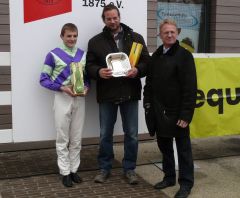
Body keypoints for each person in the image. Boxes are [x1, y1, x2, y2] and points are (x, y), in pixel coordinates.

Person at [86, 4, 149, 185]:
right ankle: (104, 168)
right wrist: (98, 72)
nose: (112, 21)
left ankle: (129, 169)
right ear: (104, 20)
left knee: (132, 134)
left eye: (115, 18)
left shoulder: (135, 38)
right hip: (107, 93)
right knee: (105, 133)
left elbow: (147, 62)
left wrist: (137, 70)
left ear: (119, 17)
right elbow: (88, 66)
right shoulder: (95, 41)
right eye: (108, 18)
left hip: (129, 91)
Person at [143, 19, 197, 198]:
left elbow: (190, 88)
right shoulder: (156, 56)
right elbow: (148, 84)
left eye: (173, 32)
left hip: (178, 111)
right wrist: (148, 104)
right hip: (159, 111)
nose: (170, 35)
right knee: (164, 146)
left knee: (183, 149)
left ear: (177, 33)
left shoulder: (184, 55)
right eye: (166, 32)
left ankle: (186, 183)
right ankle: (169, 177)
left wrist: (186, 114)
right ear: (160, 35)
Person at [40, 23, 90, 187]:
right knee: (63, 137)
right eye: (69, 36)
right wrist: (62, 87)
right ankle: (65, 172)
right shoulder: (52, 55)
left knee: (76, 137)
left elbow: (86, 77)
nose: (72, 39)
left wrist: (87, 87)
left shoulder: (83, 55)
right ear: (62, 36)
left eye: (75, 36)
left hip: (79, 98)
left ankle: (74, 170)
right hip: (62, 97)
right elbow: (44, 79)